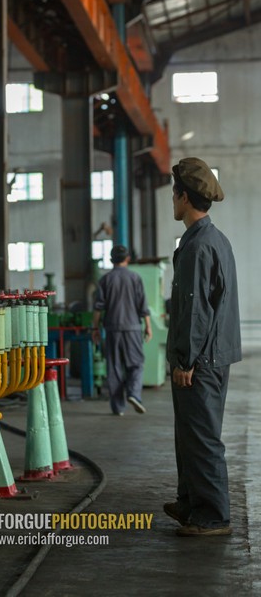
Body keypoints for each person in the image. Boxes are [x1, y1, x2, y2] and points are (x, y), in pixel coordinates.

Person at [164, 157, 242, 537]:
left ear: (184, 197)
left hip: (201, 360)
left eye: (174, 193)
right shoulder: (214, 239)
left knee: (202, 438)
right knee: (190, 435)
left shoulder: (198, 247)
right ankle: (191, 502)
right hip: (211, 355)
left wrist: (185, 359)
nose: (172, 200)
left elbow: (195, 310)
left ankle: (212, 516)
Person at [92, 245, 152, 416]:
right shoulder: (135, 278)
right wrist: (148, 326)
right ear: (128, 259)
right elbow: (143, 306)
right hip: (132, 327)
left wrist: (94, 328)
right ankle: (133, 394)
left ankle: (118, 408)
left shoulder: (105, 280)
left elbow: (98, 308)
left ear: (111, 260)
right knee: (136, 363)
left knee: (115, 367)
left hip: (112, 328)